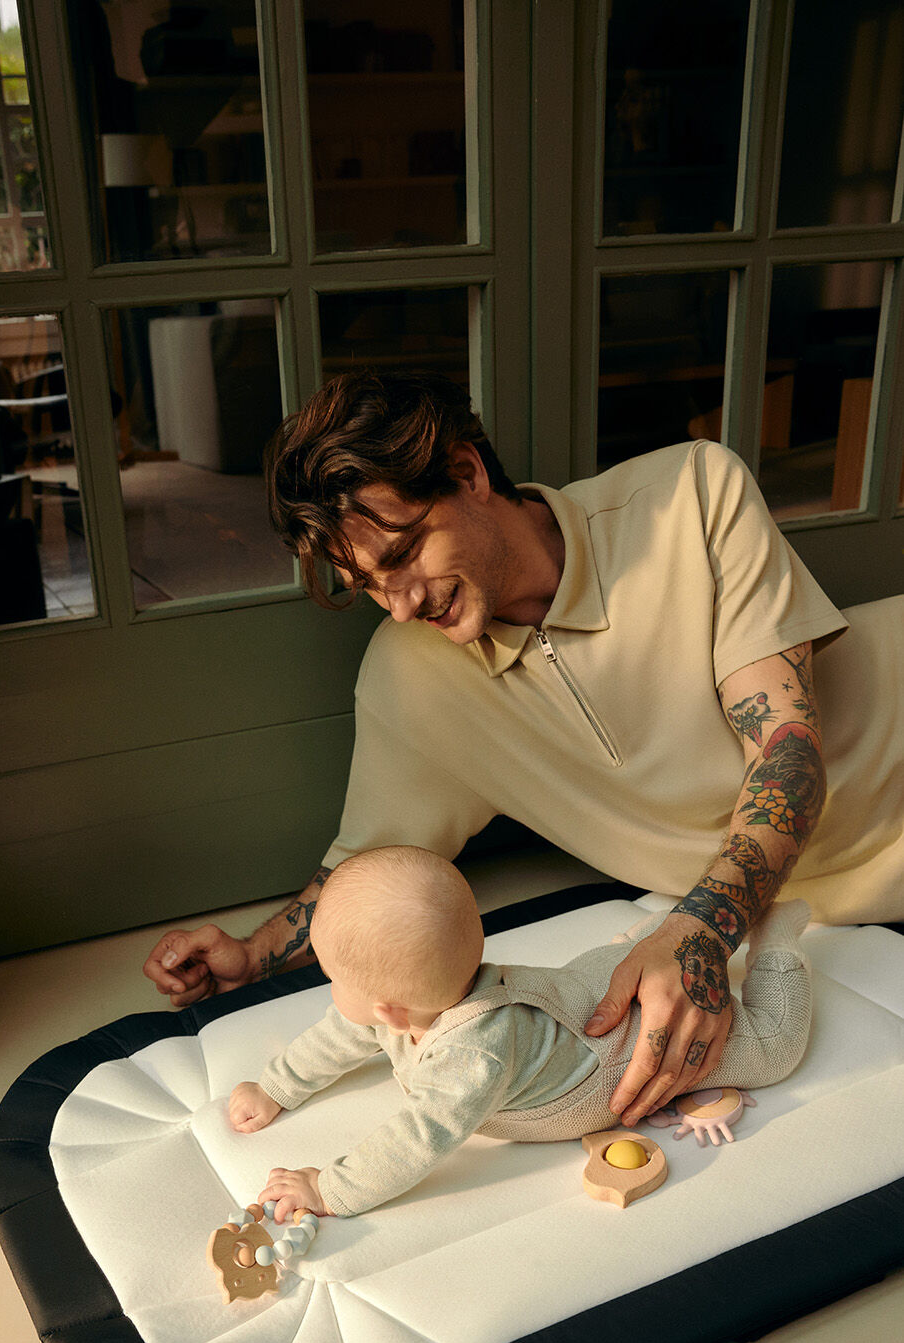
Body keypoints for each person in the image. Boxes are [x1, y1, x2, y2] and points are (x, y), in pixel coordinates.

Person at [144, 371, 903, 1129]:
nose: (404, 602)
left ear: (469, 473)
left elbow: (787, 751)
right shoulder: (409, 679)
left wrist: (700, 928)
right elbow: (364, 874)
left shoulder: (694, 494)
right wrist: (251, 952)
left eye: (406, 551)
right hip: (810, 913)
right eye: (374, 584)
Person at [226, 848, 813, 1221]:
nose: (332, 993)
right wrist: (276, 1087)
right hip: (579, 986)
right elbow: (341, 1035)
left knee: (773, 1050)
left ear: (392, 1009)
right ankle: (653, 940)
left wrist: (330, 1188)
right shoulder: (405, 1006)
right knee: (607, 966)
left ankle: (779, 948)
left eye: (331, 978)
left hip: (615, 1050)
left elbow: (416, 1138)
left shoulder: (471, 1055)